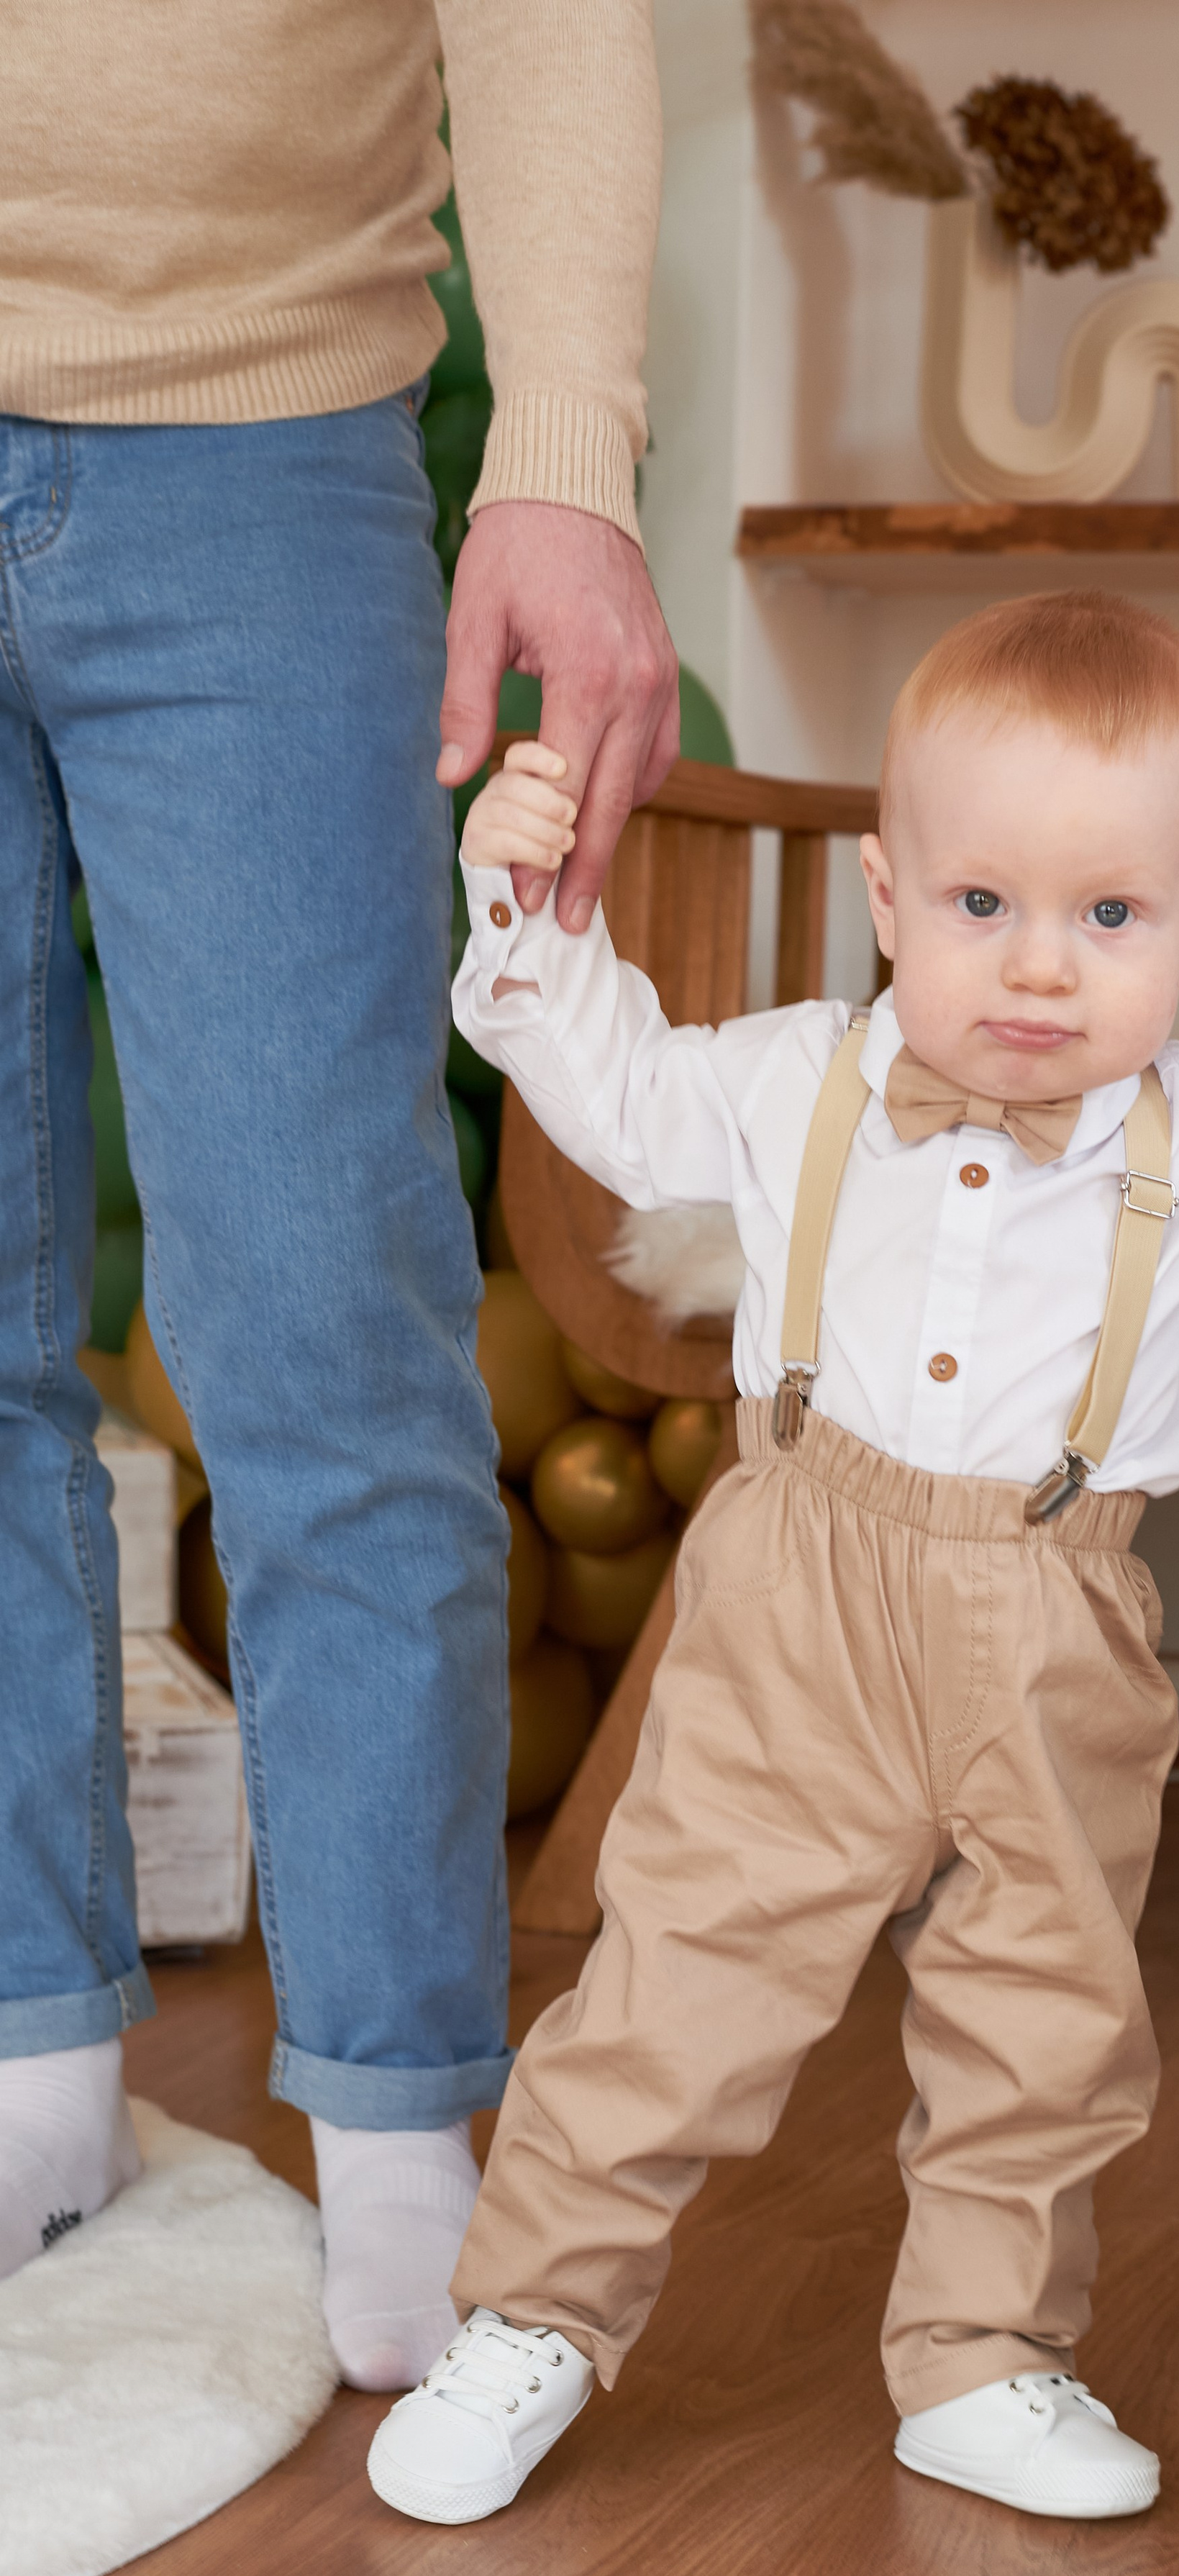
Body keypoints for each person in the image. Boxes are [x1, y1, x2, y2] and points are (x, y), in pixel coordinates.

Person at [360, 590, 1179, 2527]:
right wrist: (530, 909)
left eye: (1113, 917)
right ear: (888, 895)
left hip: (1057, 1606)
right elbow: (619, 1091)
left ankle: (985, 2356)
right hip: (800, 1584)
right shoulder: (799, 1076)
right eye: (984, 905)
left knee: (1045, 2002)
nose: (1043, 970)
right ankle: (534, 2312)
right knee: (684, 1966)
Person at [0, 1, 678, 2391]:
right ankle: (23, 2056)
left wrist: (570, 461)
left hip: (263, 449)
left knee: (325, 1322)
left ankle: (404, 2110)